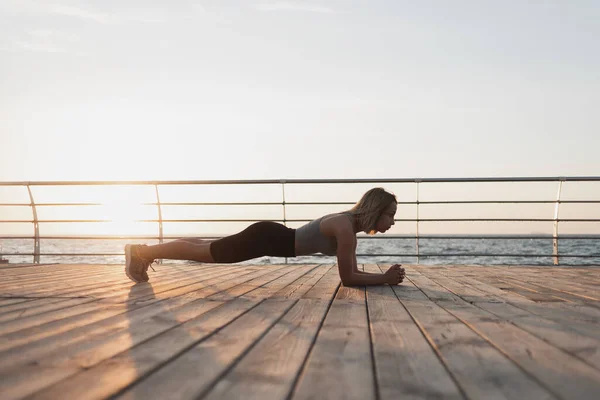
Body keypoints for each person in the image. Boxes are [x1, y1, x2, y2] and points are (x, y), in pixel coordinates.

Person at [124, 187, 406, 286]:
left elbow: (352, 272)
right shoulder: (345, 229)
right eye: (390, 214)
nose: (393, 221)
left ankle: (143, 251)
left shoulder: (348, 227)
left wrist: (382, 278)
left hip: (269, 235)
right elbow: (349, 279)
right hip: (266, 239)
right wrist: (384, 278)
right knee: (204, 253)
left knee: (204, 247)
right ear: (375, 210)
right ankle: (141, 252)